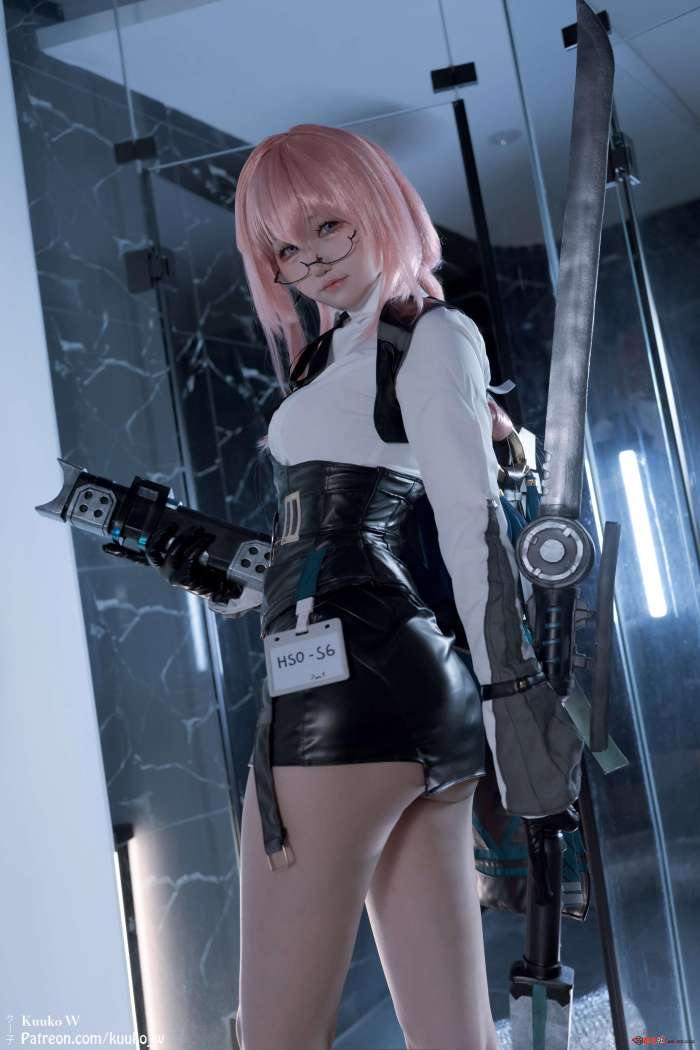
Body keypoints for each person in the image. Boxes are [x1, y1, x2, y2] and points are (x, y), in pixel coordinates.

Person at [218, 122, 581, 1050]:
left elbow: (472, 529)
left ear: (378, 206)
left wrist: (516, 712)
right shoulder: (338, 352)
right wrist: (253, 581)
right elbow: (339, 538)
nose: (310, 262)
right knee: (452, 1037)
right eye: (285, 251)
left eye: (327, 226)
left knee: (276, 1039)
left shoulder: (429, 336)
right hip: (402, 689)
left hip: (344, 706)